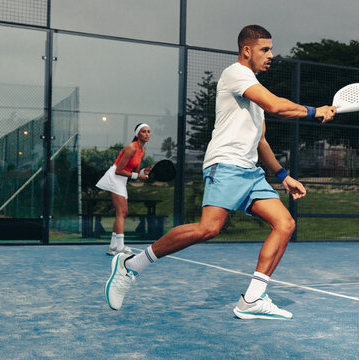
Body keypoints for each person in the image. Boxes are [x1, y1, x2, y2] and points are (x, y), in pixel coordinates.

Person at [105, 25, 336, 319]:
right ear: (246, 50)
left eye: (271, 49)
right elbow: (278, 107)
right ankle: (130, 266)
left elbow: (260, 141)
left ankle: (252, 299)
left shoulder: (253, 90)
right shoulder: (236, 74)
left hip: (250, 172)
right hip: (225, 165)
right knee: (208, 229)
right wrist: (316, 111)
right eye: (265, 49)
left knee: (285, 223)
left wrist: (283, 177)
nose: (271, 55)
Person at [95, 123, 152, 256]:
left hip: (122, 179)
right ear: (137, 134)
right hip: (114, 177)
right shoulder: (130, 148)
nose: (147, 134)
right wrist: (138, 175)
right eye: (143, 132)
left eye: (148, 131)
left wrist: (144, 172)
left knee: (124, 212)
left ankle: (112, 247)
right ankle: (120, 248)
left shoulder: (142, 151)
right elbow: (119, 170)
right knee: (121, 212)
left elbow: (135, 172)